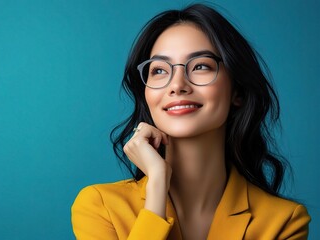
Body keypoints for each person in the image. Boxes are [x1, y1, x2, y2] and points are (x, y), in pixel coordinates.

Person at [71, 3, 310, 240]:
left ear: (238, 90)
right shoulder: (101, 206)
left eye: (200, 66)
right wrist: (157, 184)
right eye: (160, 70)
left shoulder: (284, 221)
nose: (177, 85)